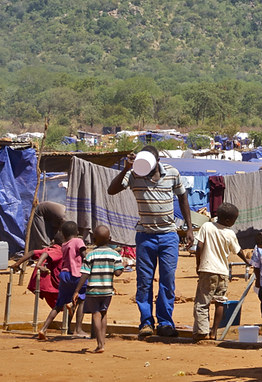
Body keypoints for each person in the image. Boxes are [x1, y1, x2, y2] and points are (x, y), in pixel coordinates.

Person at [108, 145, 194, 339]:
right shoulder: (134, 174)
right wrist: (125, 169)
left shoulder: (172, 173)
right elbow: (111, 191)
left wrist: (189, 228)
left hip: (169, 236)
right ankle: (146, 323)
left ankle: (165, 322)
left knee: (167, 281)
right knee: (144, 282)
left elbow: (183, 198)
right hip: (145, 236)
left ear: (157, 162)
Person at [192, 202, 245, 340]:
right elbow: (238, 251)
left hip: (207, 269)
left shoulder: (207, 226)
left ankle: (202, 331)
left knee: (202, 302)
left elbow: (199, 247)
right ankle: (214, 332)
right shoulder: (230, 233)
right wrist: (248, 261)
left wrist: (198, 264)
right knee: (220, 302)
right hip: (222, 272)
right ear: (228, 220)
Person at [72, 225, 124, 354]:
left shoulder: (91, 255)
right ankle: (103, 341)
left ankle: (100, 344)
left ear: (94, 239)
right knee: (103, 313)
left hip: (93, 290)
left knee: (96, 314)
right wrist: (123, 265)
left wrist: (77, 290)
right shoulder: (115, 254)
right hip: (107, 290)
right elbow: (118, 273)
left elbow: (84, 274)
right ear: (110, 239)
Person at [36, 220, 87, 340]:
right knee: (82, 300)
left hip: (64, 275)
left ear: (63, 235)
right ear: (77, 232)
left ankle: (43, 329)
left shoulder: (64, 244)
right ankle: (78, 329)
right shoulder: (78, 241)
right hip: (77, 275)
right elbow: (84, 254)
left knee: (58, 305)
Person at [12, 230, 64, 309]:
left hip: (44, 286)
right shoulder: (58, 250)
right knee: (65, 305)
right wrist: (39, 265)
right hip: (52, 285)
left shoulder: (49, 248)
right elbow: (46, 254)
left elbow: (32, 252)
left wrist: (17, 263)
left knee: (58, 308)